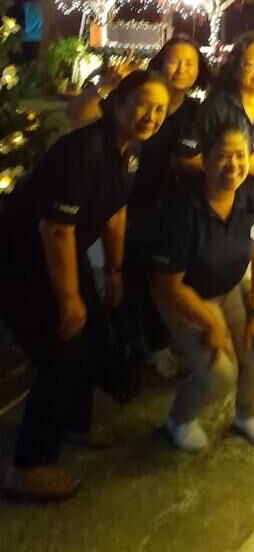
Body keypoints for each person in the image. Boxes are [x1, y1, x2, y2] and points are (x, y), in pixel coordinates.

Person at [0, 71, 170, 501]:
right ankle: (28, 465)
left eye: (160, 109)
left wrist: (112, 273)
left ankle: (75, 423)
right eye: (141, 105)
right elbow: (55, 228)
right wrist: (70, 297)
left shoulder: (131, 153)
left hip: (62, 252)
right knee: (61, 348)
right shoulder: (83, 151)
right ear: (116, 103)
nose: (150, 115)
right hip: (22, 257)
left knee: (88, 333)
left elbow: (115, 213)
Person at [152, 126, 254, 453]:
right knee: (219, 371)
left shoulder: (251, 191)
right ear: (205, 160)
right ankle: (178, 419)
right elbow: (169, 285)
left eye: (240, 155)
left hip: (233, 284)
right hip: (186, 294)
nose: (232, 165)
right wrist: (212, 324)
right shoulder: (181, 208)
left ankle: (248, 414)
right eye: (222, 156)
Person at [121, 37, 210, 379]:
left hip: (171, 209)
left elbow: (184, 161)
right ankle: (133, 345)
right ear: (160, 62)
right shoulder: (138, 98)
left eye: (191, 63)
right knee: (129, 277)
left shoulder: (194, 114)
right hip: (129, 202)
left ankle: (158, 343)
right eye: (175, 61)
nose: (182, 69)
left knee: (163, 279)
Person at [176, 32, 254, 177]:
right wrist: (242, 166)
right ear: (235, 69)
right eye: (251, 65)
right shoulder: (215, 108)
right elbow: (184, 159)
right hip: (220, 197)